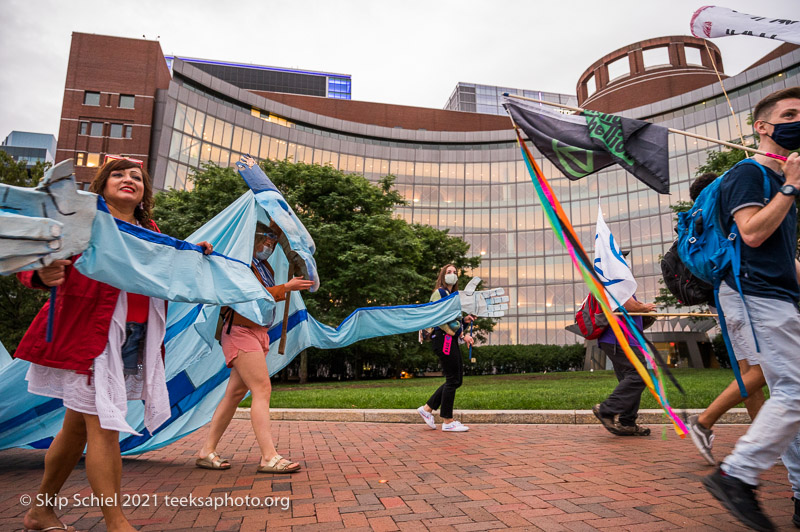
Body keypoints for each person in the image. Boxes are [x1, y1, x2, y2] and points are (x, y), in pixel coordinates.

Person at [17, 157, 213, 532]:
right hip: (90, 336)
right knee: (104, 426)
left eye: (135, 176)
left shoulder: (149, 230)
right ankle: (116, 522)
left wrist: (192, 252)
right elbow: (35, 260)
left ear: (144, 193)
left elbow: (170, 268)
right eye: (118, 174)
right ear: (103, 185)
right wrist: (42, 271)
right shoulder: (85, 222)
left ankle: (40, 512)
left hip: (132, 338)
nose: (128, 180)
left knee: (76, 429)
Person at [701, 87, 800, 532]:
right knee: (797, 392)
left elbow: (782, 254)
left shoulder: (780, 182)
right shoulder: (746, 173)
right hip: (754, 294)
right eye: (791, 114)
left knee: (790, 395)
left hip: (778, 294)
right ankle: (736, 476)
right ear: (762, 127)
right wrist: (792, 187)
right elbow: (753, 234)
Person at [196, 222, 313, 473]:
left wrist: (277, 226)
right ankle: (269, 457)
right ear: (251, 241)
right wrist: (286, 288)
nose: (268, 247)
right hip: (240, 331)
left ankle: (206, 451)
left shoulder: (264, 266)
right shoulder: (240, 265)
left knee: (234, 394)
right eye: (265, 241)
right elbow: (251, 295)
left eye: (272, 243)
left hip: (257, 333)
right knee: (262, 389)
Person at [683, 172, 768, 466]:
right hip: (743, 290)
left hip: (728, 292)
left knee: (751, 374)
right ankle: (704, 421)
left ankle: (766, 441)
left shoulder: (703, 219)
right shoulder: (727, 213)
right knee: (767, 369)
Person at [591, 282, 656, 437]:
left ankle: (627, 422)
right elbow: (627, 305)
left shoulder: (614, 275)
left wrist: (639, 308)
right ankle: (606, 410)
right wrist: (643, 308)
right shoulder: (614, 274)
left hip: (619, 338)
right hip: (621, 338)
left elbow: (626, 304)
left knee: (630, 380)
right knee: (639, 375)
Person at [417, 264, 474, 432]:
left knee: (456, 379)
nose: (452, 275)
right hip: (443, 339)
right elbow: (441, 321)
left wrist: (465, 321)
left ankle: (427, 409)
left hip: (447, 339)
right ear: (442, 276)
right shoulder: (440, 293)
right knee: (453, 379)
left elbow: (452, 321)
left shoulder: (450, 295)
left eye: (455, 272)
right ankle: (448, 421)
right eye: (449, 272)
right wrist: (463, 335)